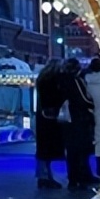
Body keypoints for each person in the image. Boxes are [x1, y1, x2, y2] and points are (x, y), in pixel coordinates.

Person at [61, 58, 99, 189]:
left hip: (68, 120)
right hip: (79, 118)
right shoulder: (75, 80)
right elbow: (83, 99)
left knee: (71, 150)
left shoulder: (61, 80)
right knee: (81, 149)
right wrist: (93, 105)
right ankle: (82, 177)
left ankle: (73, 178)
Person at [34, 58, 65, 188]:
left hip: (42, 116)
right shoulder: (54, 80)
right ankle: (46, 176)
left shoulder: (42, 78)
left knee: (42, 148)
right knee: (48, 147)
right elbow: (58, 97)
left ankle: (43, 175)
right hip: (51, 116)